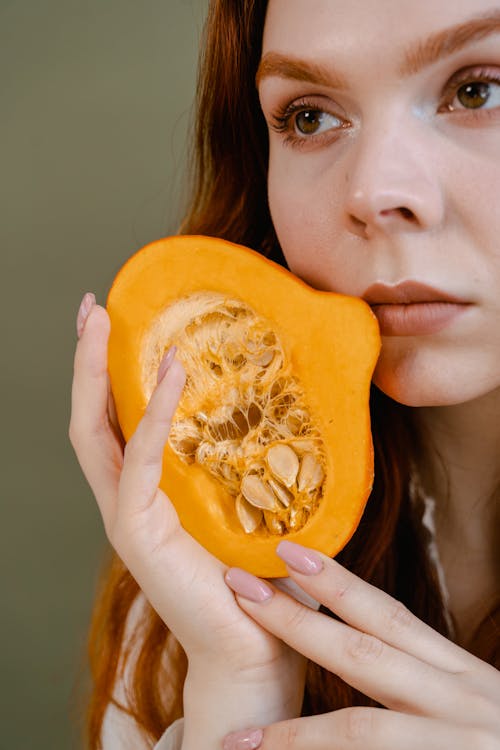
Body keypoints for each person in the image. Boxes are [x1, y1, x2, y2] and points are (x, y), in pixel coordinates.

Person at [70, 0, 500, 748]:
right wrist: (242, 689)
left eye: (478, 90)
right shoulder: (201, 585)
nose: (373, 193)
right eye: (308, 117)